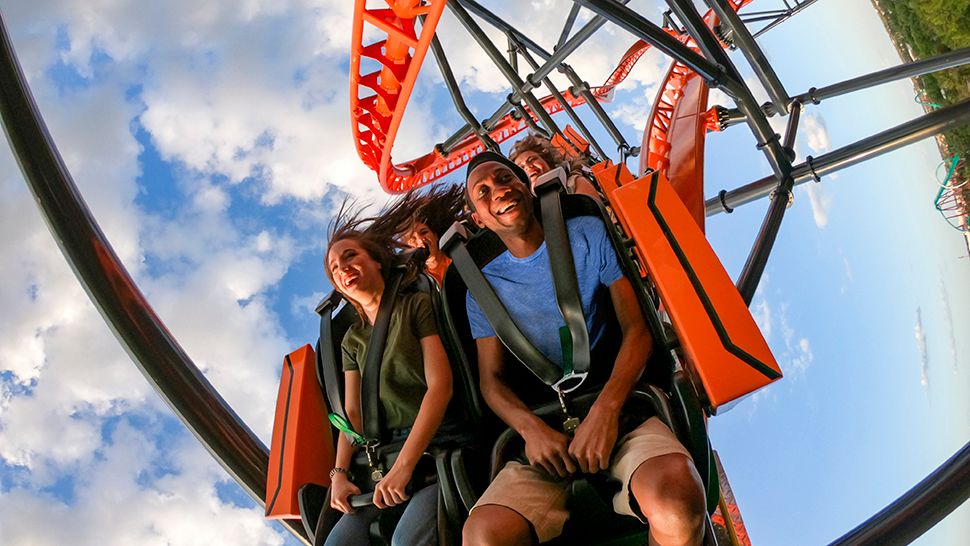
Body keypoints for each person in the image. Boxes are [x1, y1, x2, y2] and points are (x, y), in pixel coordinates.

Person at [459, 152, 706, 546]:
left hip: (620, 407)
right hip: (546, 433)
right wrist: (530, 428)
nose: (499, 190)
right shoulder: (481, 289)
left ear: (526, 185)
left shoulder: (587, 233)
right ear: (479, 220)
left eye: (505, 178)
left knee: (676, 503)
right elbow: (491, 381)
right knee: (483, 537)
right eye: (483, 192)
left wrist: (607, 410)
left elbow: (637, 329)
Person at [321, 201, 454, 546]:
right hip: (380, 460)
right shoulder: (351, 339)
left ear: (375, 261)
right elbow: (352, 414)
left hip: (431, 453)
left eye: (349, 256)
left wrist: (405, 466)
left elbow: (439, 387)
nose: (343, 269)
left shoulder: (416, 305)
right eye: (335, 269)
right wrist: (340, 474)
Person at [509, 133, 601, 200]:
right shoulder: (526, 207)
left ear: (547, 161)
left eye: (532, 159)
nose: (528, 166)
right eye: (521, 167)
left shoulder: (573, 182)